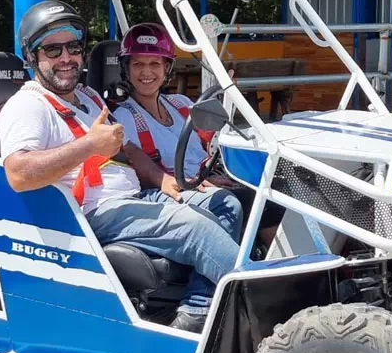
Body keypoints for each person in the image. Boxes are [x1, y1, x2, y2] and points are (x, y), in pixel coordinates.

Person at [0, 1, 241, 333]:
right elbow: (18, 173)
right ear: (32, 56)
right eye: (53, 50)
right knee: (193, 227)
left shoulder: (88, 97)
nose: (66, 58)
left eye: (73, 48)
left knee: (225, 204)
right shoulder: (28, 105)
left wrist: (162, 179)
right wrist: (89, 145)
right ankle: (267, 304)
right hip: (94, 210)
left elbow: (125, 146)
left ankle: (199, 308)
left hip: (135, 197)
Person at [114, 22, 280, 253]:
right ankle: (227, 275)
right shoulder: (124, 116)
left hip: (208, 177)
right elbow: (138, 163)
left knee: (272, 190)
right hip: (175, 188)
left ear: (167, 69)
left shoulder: (180, 104)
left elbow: (214, 140)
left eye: (155, 64)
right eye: (138, 64)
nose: (146, 72)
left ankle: (282, 265)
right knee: (244, 201)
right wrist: (193, 182)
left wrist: (228, 99)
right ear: (126, 69)